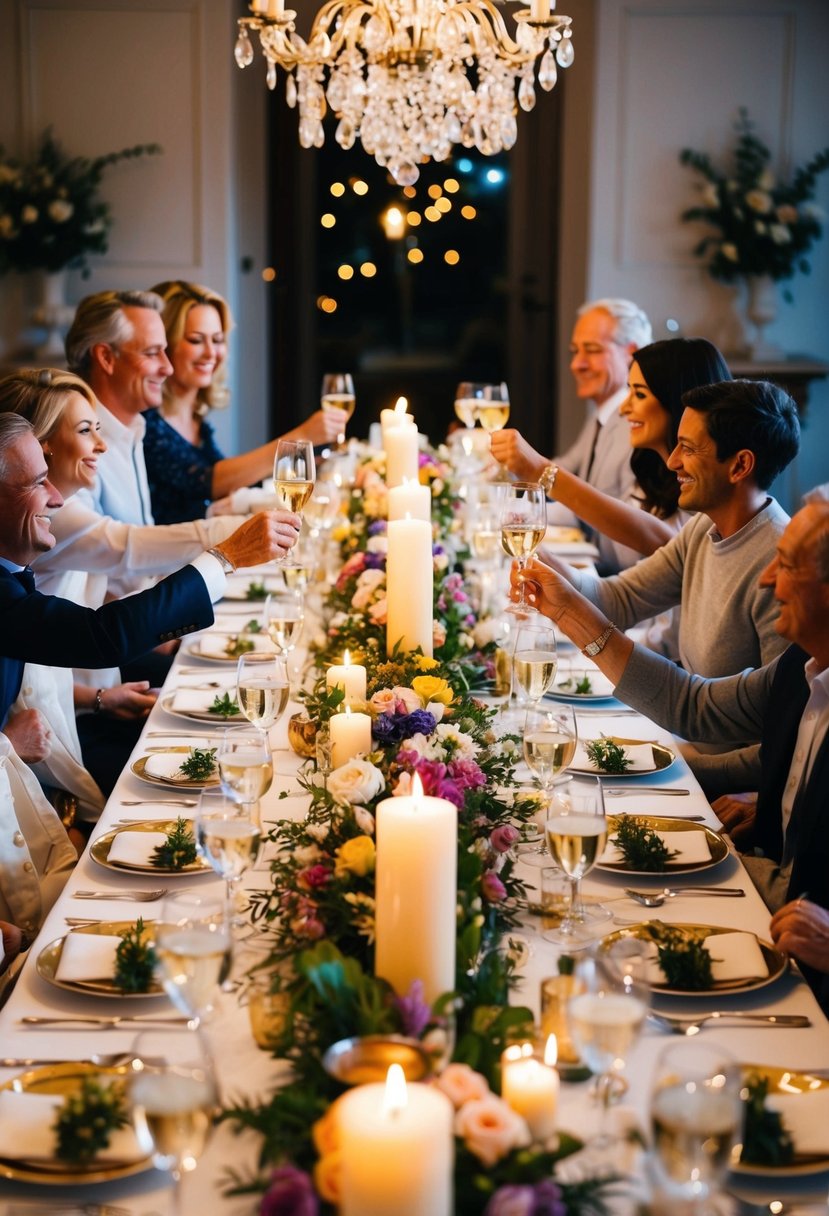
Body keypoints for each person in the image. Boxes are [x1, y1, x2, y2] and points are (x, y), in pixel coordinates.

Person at [510, 503, 829, 1007]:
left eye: (786, 566)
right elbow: (693, 704)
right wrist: (568, 611)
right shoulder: (800, 668)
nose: (768, 579)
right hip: (764, 908)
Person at [0, 412, 300, 725]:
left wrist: (98, 698)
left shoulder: (15, 572)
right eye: (37, 483)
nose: (56, 498)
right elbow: (101, 634)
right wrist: (227, 556)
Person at [492, 337, 731, 558]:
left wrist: (542, 471)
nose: (623, 408)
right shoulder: (650, 473)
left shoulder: (706, 490)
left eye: (638, 394)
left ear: (676, 398)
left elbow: (667, 547)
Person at [144, 280, 348, 523]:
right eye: (196, 340)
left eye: (217, 340)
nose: (211, 353)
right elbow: (210, 483)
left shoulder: (196, 418)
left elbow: (224, 489)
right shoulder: (146, 423)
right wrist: (302, 437)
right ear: (163, 345)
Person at [494, 297, 653, 574]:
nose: (576, 364)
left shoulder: (638, 426)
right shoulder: (601, 417)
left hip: (618, 582)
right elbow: (564, 473)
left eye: (591, 350)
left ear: (632, 352)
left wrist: (517, 500)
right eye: (574, 351)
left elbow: (635, 546)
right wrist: (504, 492)